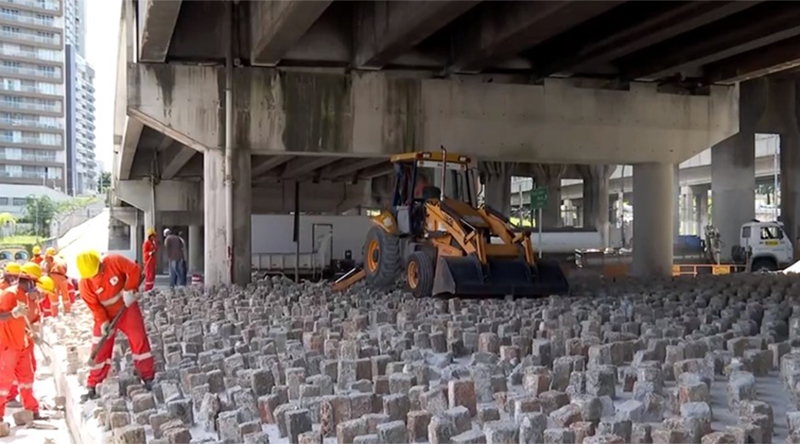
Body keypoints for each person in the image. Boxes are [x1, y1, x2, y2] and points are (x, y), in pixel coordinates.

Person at [77, 250, 154, 400]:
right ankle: (93, 383)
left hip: (126, 308)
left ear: (100, 263)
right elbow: (94, 306)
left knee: (138, 339)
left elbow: (134, 269)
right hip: (106, 314)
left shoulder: (114, 261)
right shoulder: (84, 284)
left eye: (97, 271)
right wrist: (103, 322)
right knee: (99, 347)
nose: (96, 276)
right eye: (92, 275)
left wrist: (129, 290)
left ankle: (148, 376)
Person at [0, 262, 43, 422]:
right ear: (29, 280)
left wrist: (33, 331)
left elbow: (29, 320)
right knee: (3, 382)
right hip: (8, 345)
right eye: (35, 283)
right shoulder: (9, 294)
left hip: (23, 345)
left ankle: (32, 410)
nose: (35, 287)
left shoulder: (27, 297)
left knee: (27, 379)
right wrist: (13, 314)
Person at [43, 250, 70, 316]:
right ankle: (67, 311)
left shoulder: (50, 258)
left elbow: (46, 269)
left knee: (53, 296)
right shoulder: (63, 260)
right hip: (62, 277)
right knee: (65, 295)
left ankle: (55, 314)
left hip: (53, 276)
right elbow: (65, 271)